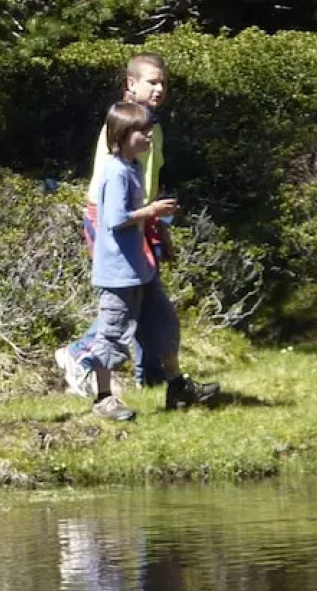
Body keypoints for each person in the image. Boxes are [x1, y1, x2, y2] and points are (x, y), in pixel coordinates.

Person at [86, 102, 219, 421]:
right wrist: (152, 211)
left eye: (149, 130)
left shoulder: (131, 167)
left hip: (140, 270)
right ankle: (103, 399)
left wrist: (156, 223)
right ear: (122, 135)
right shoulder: (116, 170)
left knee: (164, 325)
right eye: (142, 131)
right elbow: (115, 219)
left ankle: (177, 386)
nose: (148, 136)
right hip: (118, 274)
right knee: (111, 334)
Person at [57, 53, 173, 396]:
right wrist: (144, 215)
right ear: (131, 84)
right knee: (126, 295)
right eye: (152, 81)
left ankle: (150, 376)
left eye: (163, 82)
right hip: (111, 219)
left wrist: (158, 223)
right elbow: (114, 190)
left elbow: (150, 178)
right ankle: (80, 354)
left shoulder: (153, 126)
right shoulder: (122, 125)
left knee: (148, 293)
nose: (159, 88)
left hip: (142, 217)